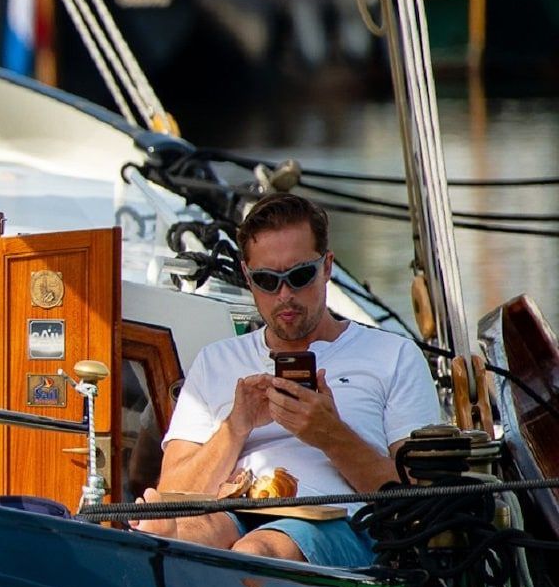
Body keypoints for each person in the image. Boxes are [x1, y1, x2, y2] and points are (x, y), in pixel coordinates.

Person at [134, 192, 440, 566]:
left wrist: (329, 435)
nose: (285, 295)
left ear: (326, 267)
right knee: (183, 535)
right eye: (267, 280)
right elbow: (173, 493)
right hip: (235, 511)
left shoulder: (394, 356)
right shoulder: (216, 360)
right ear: (247, 277)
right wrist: (236, 426)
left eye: (299, 276)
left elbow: (418, 503)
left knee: (257, 551)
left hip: (341, 523)